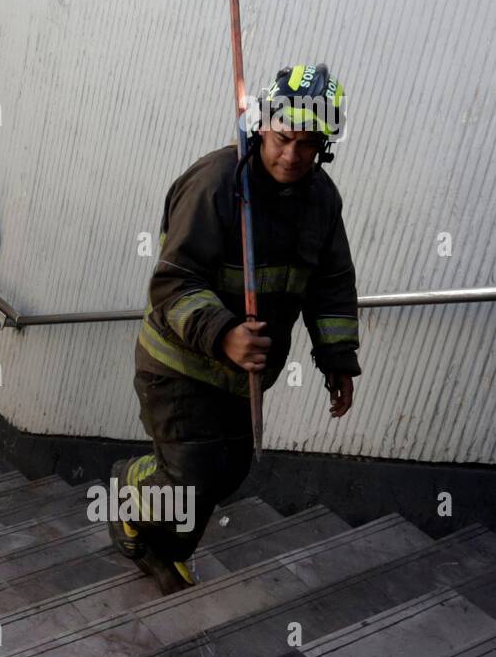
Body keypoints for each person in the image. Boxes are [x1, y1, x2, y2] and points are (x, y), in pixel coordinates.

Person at [112, 64, 360, 593]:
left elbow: (330, 284)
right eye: (282, 137)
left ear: (324, 146)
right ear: (262, 126)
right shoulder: (216, 184)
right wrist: (224, 332)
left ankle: (167, 548)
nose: (292, 156)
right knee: (192, 473)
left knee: (229, 472)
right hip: (179, 364)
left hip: (245, 377)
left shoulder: (322, 201)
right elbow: (172, 283)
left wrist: (337, 359)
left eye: (309, 144)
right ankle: (129, 491)